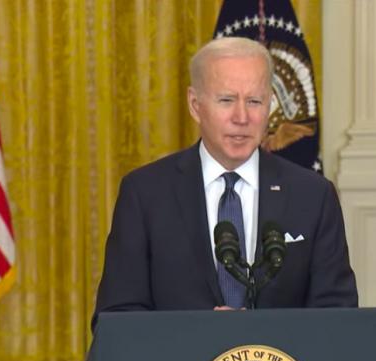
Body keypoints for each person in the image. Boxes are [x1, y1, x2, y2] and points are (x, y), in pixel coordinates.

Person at [92, 37, 357, 330]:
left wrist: (261, 334)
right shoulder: (145, 194)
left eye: (254, 101)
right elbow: (117, 318)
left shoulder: (313, 196)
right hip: (181, 360)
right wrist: (205, 334)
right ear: (195, 105)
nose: (241, 117)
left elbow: (338, 316)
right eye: (227, 100)